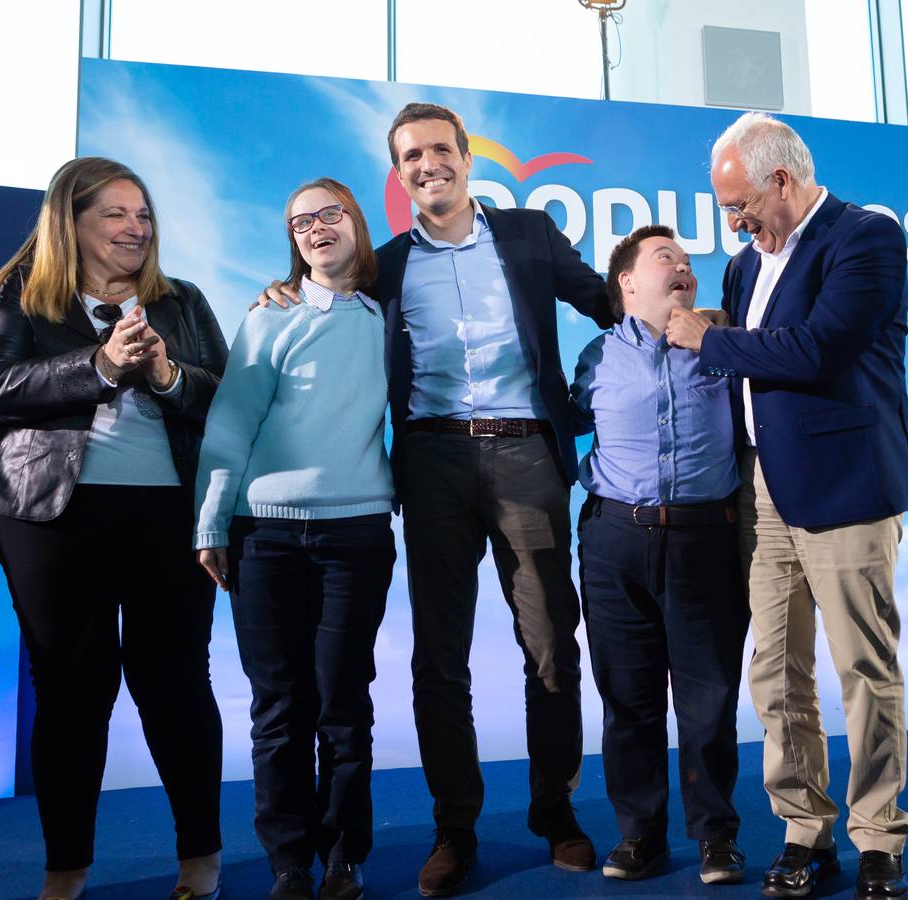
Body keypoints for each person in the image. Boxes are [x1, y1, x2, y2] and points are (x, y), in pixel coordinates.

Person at [261, 102, 612, 896]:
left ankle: (555, 811)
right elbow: (318, 288)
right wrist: (275, 295)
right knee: (438, 660)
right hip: (432, 461)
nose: (428, 164)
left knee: (553, 646)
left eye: (439, 150)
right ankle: (455, 827)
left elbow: (604, 300)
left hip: (528, 453)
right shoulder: (382, 265)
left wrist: (675, 312)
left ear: (465, 156)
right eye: (411, 156)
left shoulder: (527, 235)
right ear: (400, 172)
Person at [667, 113, 908, 899]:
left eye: (738, 204)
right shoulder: (746, 264)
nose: (731, 223)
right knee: (775, 672)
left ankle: (879, 837)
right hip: (764, 491)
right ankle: (803, 826)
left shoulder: (864, 236)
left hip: (846, 483)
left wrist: (703, 339)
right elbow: (753, 344)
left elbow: (816, 348)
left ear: (781, 180)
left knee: (863, 670)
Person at [0, 156, 227, 900]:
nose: (134, 227)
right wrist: (102, 364)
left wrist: (166, 374)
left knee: (176, 683)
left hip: (168, 515)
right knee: (72, 690)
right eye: (115, 213)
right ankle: (66, 869)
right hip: (50, 518)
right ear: (71, 222)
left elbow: (222, 395)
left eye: (142, 214)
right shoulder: (20, 293)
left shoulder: (181, 301)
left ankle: (200, 861)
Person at [195, 178, 394, 900]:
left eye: (327, 214)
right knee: (278, 706)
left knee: (344, 701)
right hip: (264, 537)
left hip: (358, 533)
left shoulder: (390, 314)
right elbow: (231, 423)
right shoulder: (268, 317)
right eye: (299, 222)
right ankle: (288, 863)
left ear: (356, 223)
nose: (314, 228)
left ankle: (344, 857)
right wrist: (212, 523)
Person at [570, 225, 750, 885]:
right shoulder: (594, 357)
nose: (684, 266)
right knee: (629, 700)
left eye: (687, 259)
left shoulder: (723, 346)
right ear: (627, 283)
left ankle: (716, 837)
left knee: (708, 700)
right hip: (615, 541)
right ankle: (639, 836)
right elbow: (563, 427)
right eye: (665, 257)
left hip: (705, 539)